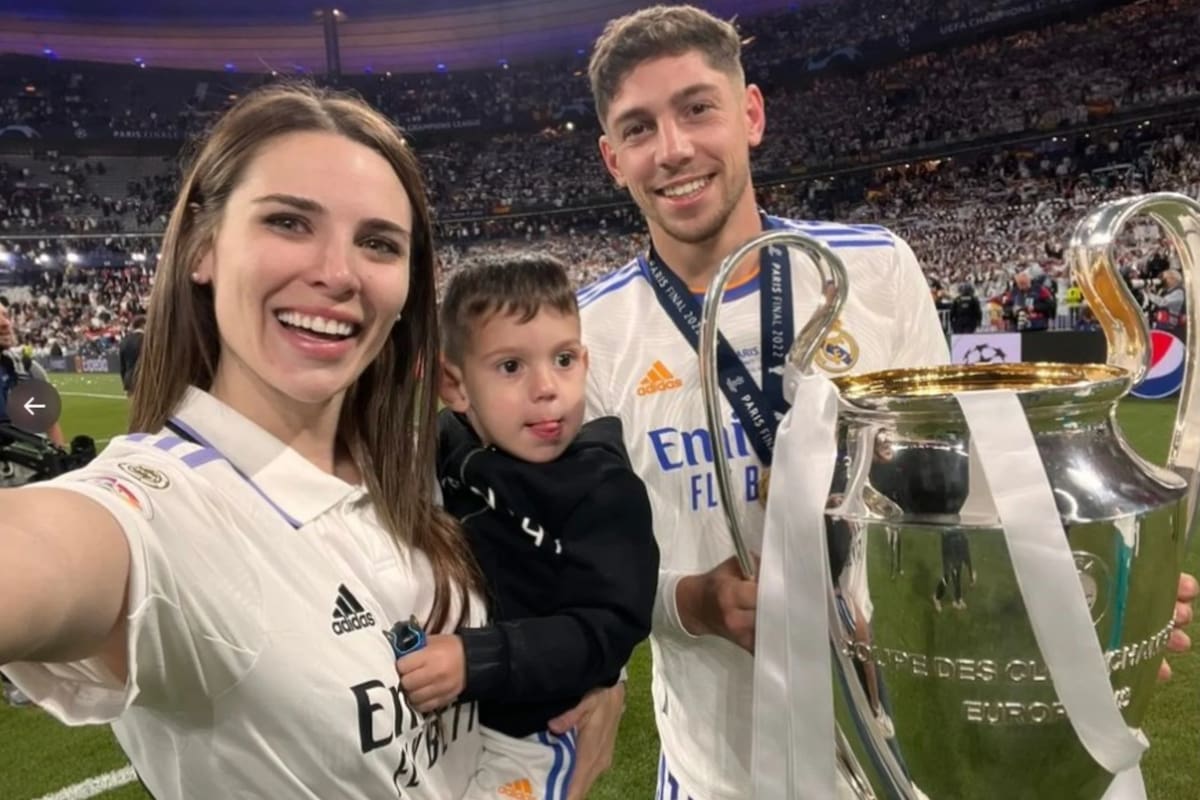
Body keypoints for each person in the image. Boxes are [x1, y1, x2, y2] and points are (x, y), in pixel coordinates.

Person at [578, 6, 1197, 798]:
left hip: (904, 745)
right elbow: (589, 570)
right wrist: (694, 602)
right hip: (718, 770)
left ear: (751, 114)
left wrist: (1089, 606)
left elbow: (956, 493)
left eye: (698, 108)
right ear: (612, 158)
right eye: (638, 128)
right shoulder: (590, 334)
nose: (672, 148)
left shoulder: (876, 269)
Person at [0, 83, 616, 799]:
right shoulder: (161, 512)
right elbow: (43, 554)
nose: (336, 273)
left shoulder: (425, 464)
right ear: (202, 246)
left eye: (378, 243)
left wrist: (584, 687)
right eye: (289, 223)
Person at [401, 253, 658, 800]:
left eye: (563, 359)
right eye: (511, 367)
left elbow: (608, 628)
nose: (546, 387)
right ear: (455, 385)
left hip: (537, 732)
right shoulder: (447, 443)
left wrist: (478, 657)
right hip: (450, 723)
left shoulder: (604, 491)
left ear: (585, 362)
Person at [0, 303, 65, 447]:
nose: (5, 323)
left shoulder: (25, 369)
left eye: (5, 315)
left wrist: (60, 455)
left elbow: (50, 423)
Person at [119, 314, 146, 395]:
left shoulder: (124, 341)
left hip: (130, 380)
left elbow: (122, 367)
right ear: (143, 325)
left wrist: (125, 383)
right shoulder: (146, 339)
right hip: (145, 380)